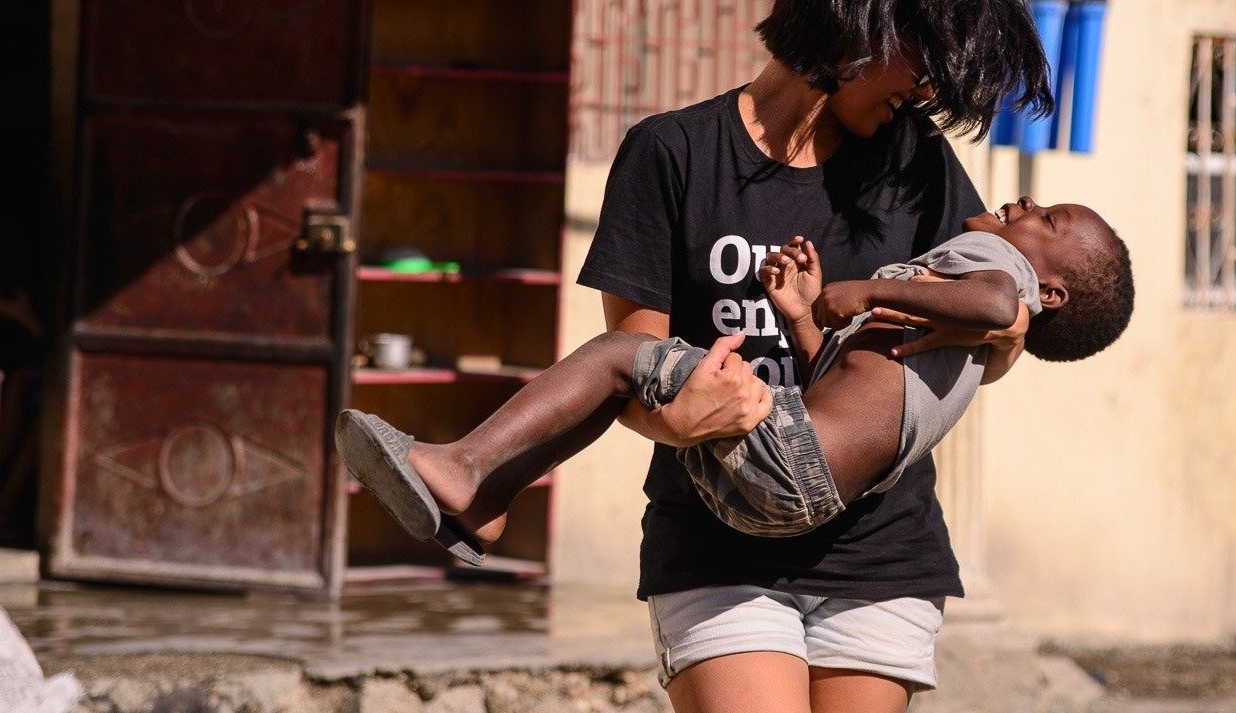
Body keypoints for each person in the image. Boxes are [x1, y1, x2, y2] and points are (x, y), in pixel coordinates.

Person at [373, 0, 1056, 713]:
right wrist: (683, 420)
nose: (923, 88)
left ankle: (472, 478)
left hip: (881, 551)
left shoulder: (916, 163)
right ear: (854, 22)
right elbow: (639, 375)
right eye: (915, 55)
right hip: (717, 542)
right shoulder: (672, 154)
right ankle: (473, 477)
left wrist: (1001, 341)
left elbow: (970, 342)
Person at [334, 197, 1134, 564]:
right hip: (794, 495)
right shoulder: (960, 327)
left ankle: (464, 466)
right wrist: (801, 319)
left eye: (1050, 221)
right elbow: (841, 381)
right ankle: (491, 500)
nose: (1028, 204)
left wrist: (869, 288)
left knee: (622, 354)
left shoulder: (997, 275)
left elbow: (998, 300)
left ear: (1048, 290)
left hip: (791, 463)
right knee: (633, 378)